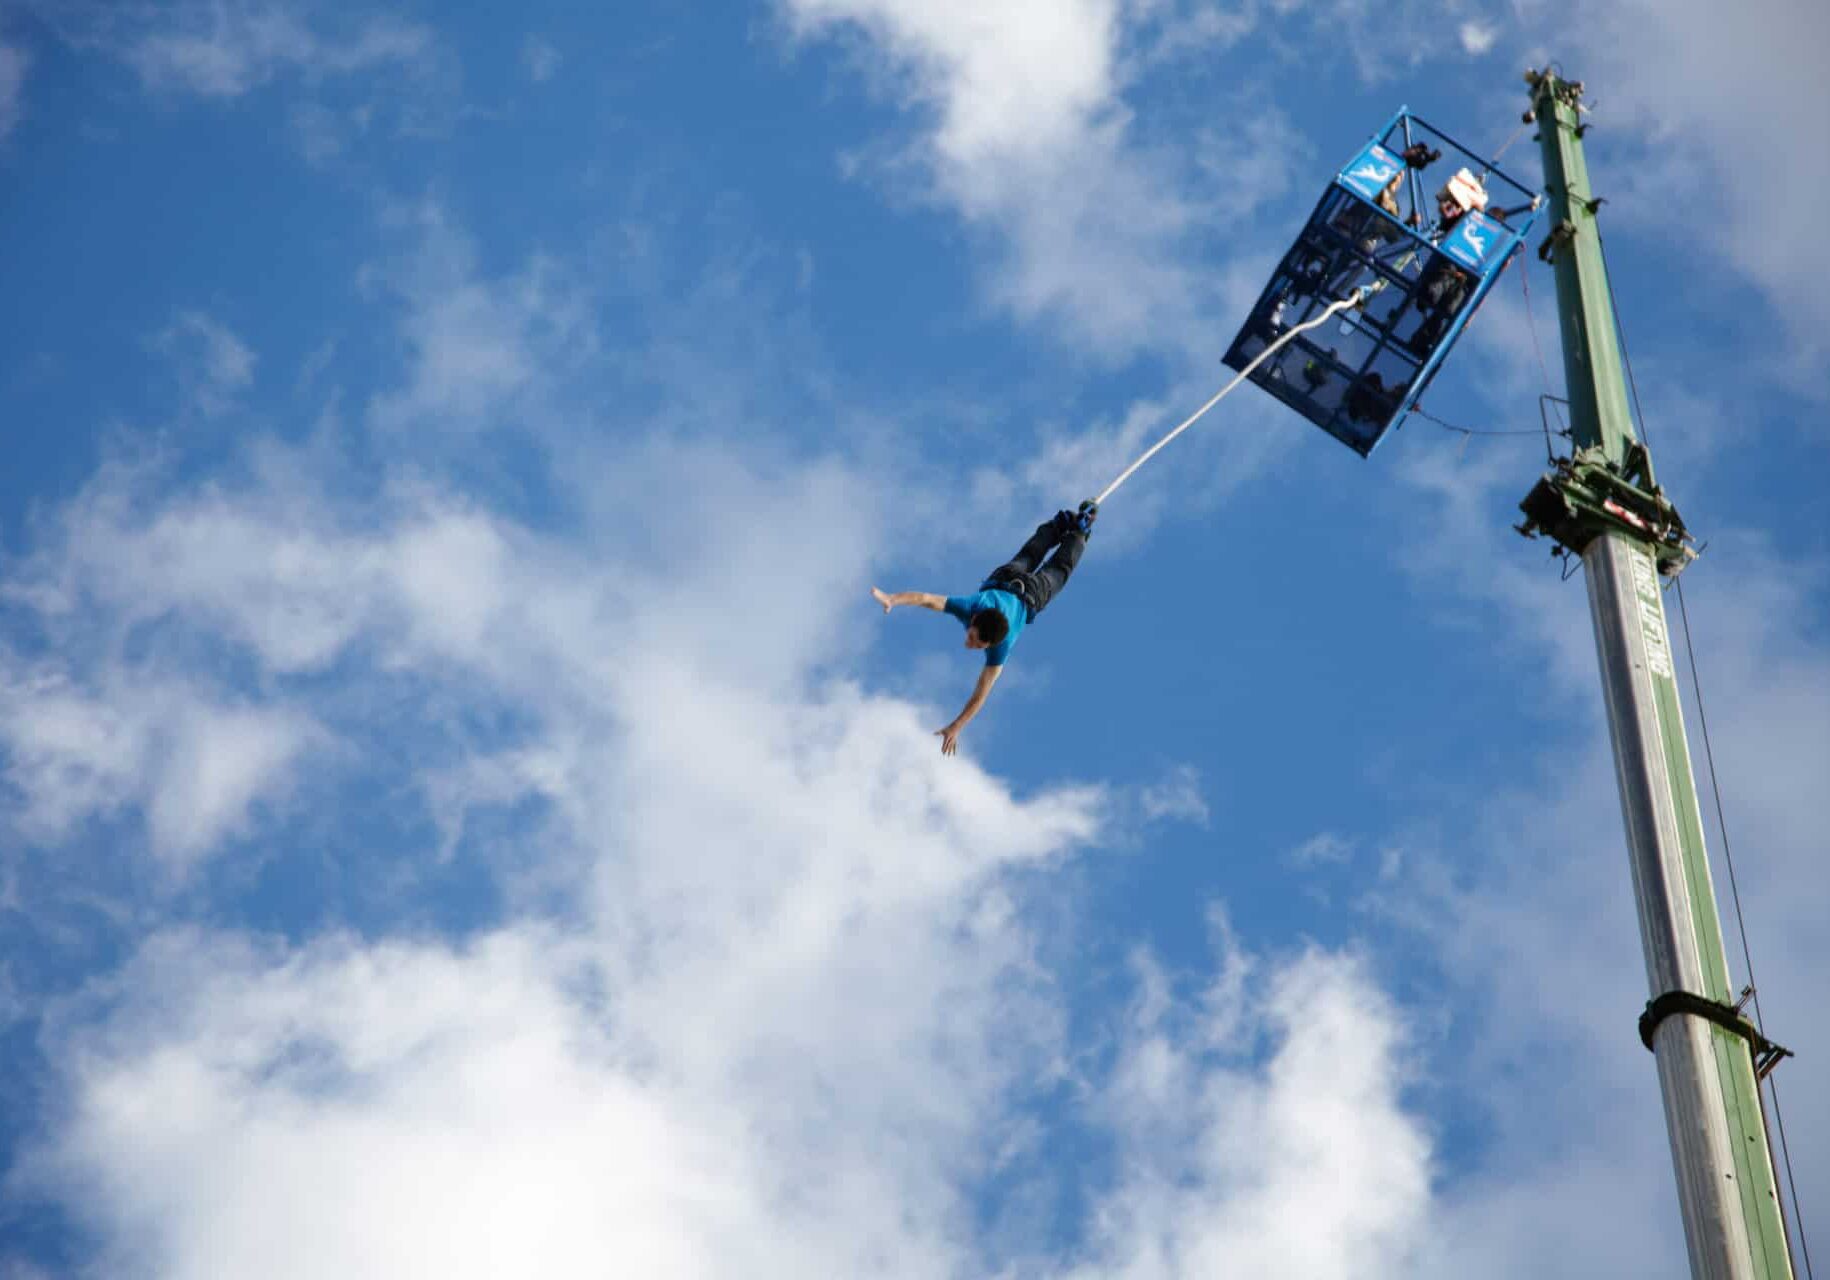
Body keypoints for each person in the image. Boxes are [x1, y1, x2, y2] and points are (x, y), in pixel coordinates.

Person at [872, 502, 1097, 755]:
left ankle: (1073, 529)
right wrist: (893, 599)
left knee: (1046, 561)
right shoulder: (971, 606)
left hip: (1021, 589)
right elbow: (925, 598)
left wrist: (956, 726)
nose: (969, 644)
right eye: (972, 637)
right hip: (1019, 588)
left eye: (976, 643)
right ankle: (1072, 529)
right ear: (976, 619)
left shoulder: (1002, 646)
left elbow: (980, 694)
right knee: (1045, 563)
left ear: (991, 645)